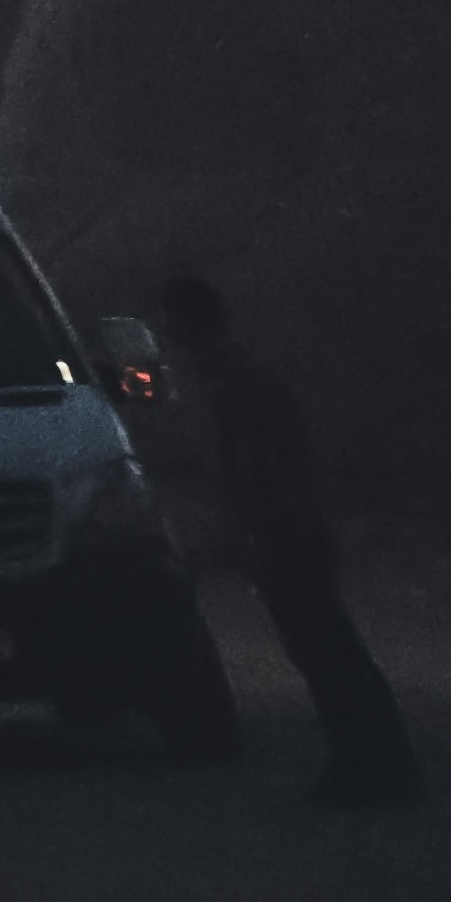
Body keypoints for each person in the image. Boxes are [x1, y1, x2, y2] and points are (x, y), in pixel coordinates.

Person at [155, 270, 419, 810]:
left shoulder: (238, 392)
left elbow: (259, 479)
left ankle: (371, 766)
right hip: (292, 537)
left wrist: (247, 540)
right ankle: (372, 762)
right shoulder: (247, 386)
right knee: (328, 651)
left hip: (285, 540)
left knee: (324, 653)